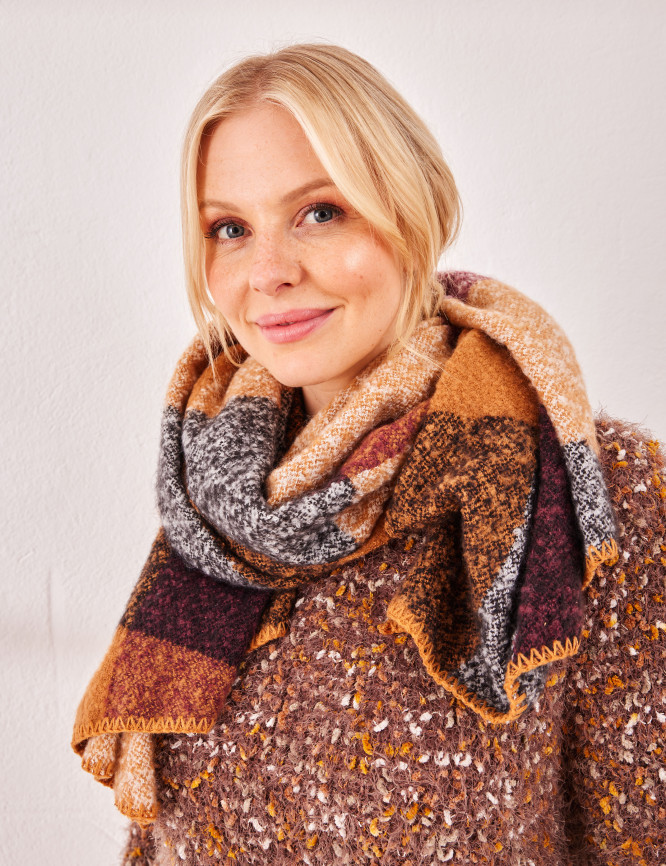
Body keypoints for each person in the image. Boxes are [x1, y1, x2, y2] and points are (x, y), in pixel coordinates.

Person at [72, 44, 665, 864]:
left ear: (412, 213)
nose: (268, 272)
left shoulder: (592, 495)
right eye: (229, 229)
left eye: (320, 212)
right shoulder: (221, 506)